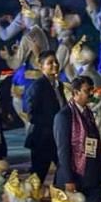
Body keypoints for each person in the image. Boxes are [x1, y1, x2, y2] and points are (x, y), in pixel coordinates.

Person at [53, 76, 101, 202]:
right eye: (87, 91)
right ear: (75, 93)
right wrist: (69, 179)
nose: (91, 94)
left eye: (92, 90)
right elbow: (63, 150)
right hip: (75, 176)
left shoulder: (88, 112)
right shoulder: (64, 116)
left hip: (93, 174)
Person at [24, 50, 66, 182]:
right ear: (42, 67)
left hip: (56, 138)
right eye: (50, 63)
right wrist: (54, 123)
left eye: (56, 62)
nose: (54, 65)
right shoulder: (38, 86)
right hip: (42, 139)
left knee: (65, 169)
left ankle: (61, 195)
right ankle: (26, 200)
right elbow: (32, 115)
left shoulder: (58, 85)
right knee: (37, 176)